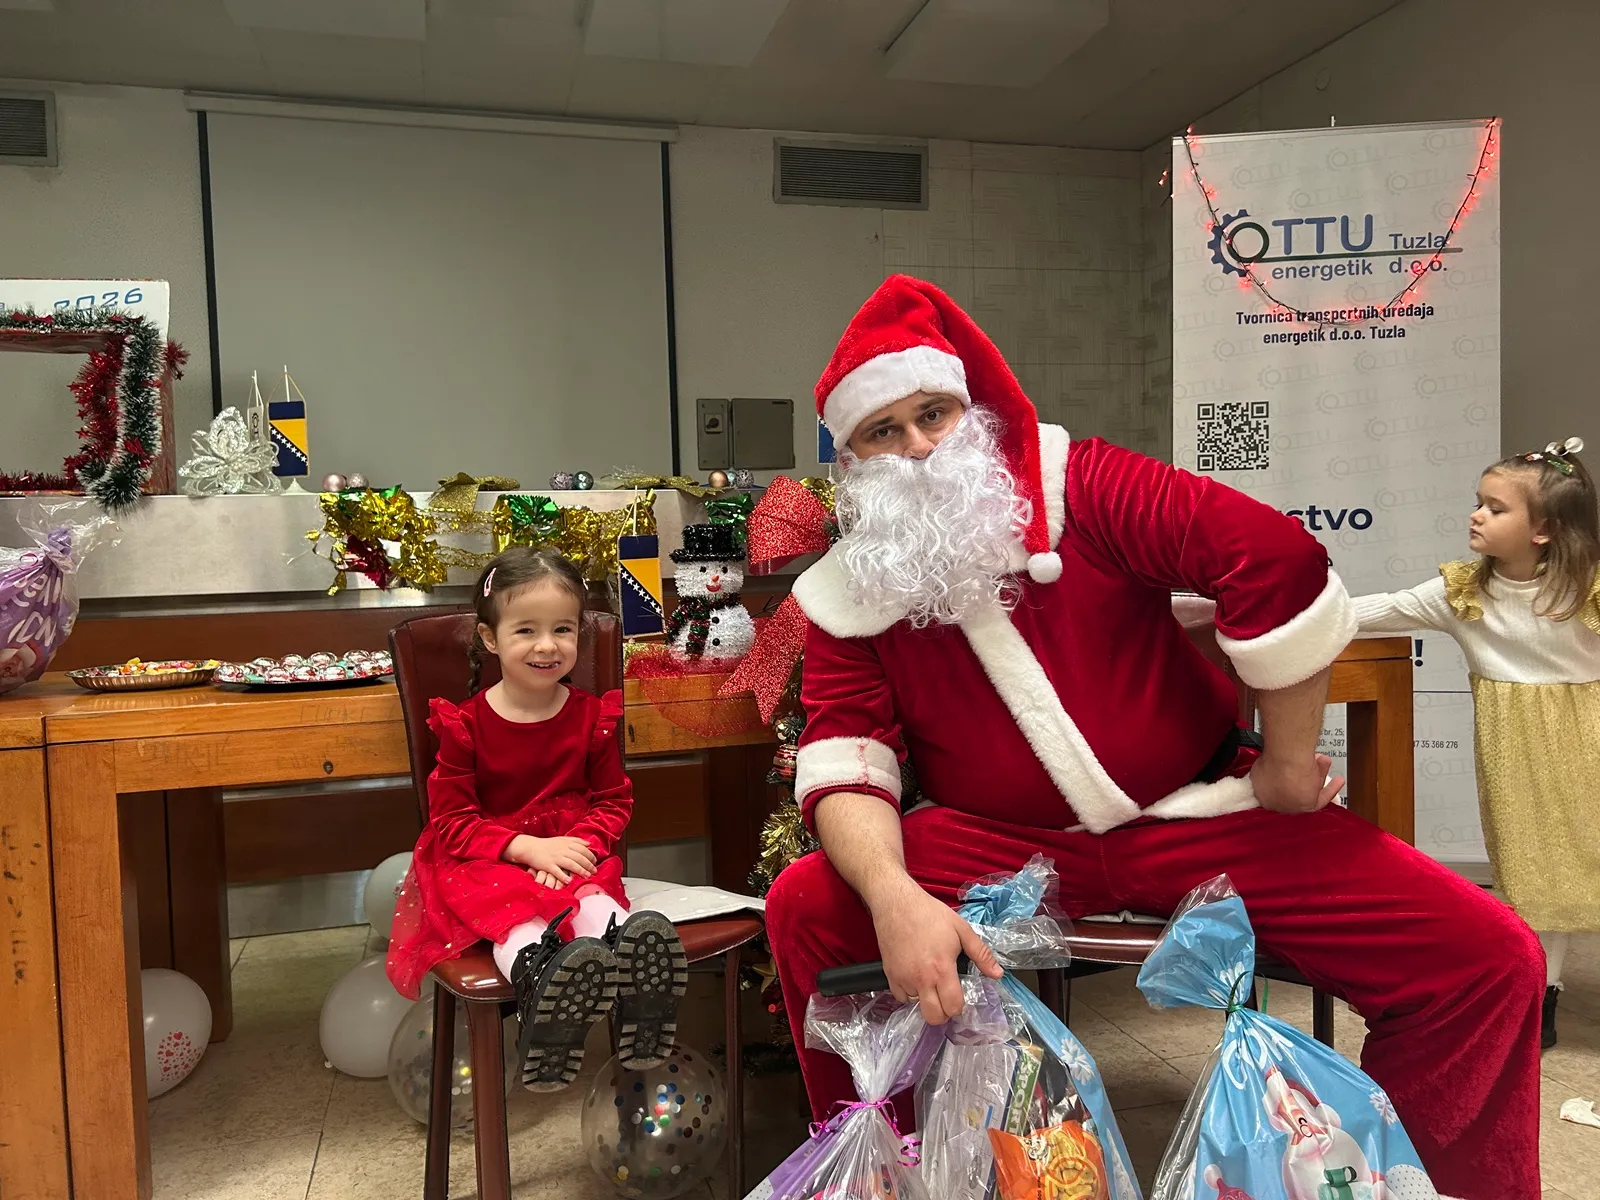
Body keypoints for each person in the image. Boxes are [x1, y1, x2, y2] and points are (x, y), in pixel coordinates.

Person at [762, 274, 1544, 1200]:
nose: (921, 448)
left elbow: (1277, 560)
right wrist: (894, 895)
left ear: (974, 411)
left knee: (1485, 960)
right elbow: (848, 758)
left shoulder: (1086, 484)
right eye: (884, 432)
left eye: (934, 414)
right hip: (1000, 844)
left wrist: (1286, 764)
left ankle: (1421, 1181)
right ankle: (883, 1172)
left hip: (1204, 812)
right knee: (812, 905)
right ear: (851, 460)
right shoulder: (850, 590)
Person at [386, 547, 688, 1089]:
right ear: (489, 638)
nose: (547, 646)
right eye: (526, 630)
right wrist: (527, 850)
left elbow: (613, 801)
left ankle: (638, 984)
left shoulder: (592, 718)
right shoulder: (465, 727)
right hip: (487, 857)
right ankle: (542, 989)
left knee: (592, 898)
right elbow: (451, 820)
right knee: (515, 910)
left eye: (563, 630)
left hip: (569, 849)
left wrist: (576, 849)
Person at [1352, 438, 1599, 1051]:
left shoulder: (1589, 590)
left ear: (1544, 529)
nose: (1476, 515)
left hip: (1590, 741)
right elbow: (1373, 611)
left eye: (1496, 508)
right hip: (1517, 752)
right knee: (1532, 871)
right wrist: (1275, 608)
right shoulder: (1464, 594)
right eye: (1479, 502)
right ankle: (1540, 994)